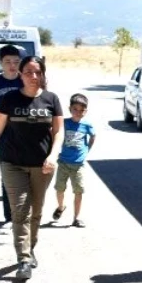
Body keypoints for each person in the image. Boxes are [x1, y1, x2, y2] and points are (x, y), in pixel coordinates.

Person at [0, 56, 63, 281]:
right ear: (21, 75)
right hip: (12, 162)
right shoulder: (9, 99)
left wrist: (53, 155)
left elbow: (58, 132)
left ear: (43, 74)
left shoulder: (51, 99)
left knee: (36, 212)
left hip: (43, 166)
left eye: (37, 72)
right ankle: (23, 258)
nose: (33, 77)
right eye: (28, 72)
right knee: (20, 211)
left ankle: (30, 248)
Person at [0, 44, 24, 222]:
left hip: (25, 134)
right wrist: (2, 112)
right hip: (3, 135)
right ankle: (9, 215)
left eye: (16, 62)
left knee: (26, 173)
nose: (12, 65)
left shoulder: (24, 80)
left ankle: (23, 211)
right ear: (1, 63)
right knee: (7, 174)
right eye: (7, 62)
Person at [51, 93, 95, 228]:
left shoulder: (87, 125)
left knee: (79, 191)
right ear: (69, 109)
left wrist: (87, 149)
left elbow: (93, 136)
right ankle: (60, 206)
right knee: (60, 189)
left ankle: (77, 218)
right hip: (63, 162)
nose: (78, 113)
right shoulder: (64, 123)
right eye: (75, 109)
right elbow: (55, 133)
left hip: (78, 165)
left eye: (82, 110)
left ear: (86, 111)